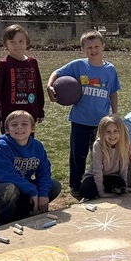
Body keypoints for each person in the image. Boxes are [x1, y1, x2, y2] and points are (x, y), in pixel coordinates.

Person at [47, 31, 120, 200]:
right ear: (83, 49)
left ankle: (98, 182)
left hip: (101, 123)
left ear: (103, 47)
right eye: (89, 47)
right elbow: (56, 73)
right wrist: (50, 86)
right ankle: (76, 186)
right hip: (80, 121)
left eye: (96, 46)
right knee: (77, 155)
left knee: (100, 156)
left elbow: (113, 93)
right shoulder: (78, 65)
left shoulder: (110, 70)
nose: (93, 50)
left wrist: (115, 114)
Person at [0, 111, 62, 225]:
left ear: (33, 128)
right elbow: (6, 175)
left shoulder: (37, 146)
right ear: (7, 130)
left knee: (54, 186)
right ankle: (6, 220)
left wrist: (43, 194)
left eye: (24, 124)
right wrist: (33, 191)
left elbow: (44, 172)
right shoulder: (2, 147)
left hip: (23, 187)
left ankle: (26, 211)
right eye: (14, 125)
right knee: (10, 188)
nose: (19, 127)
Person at [0, 23, 43, 132]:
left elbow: (38, 88)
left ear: (27, 42)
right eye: (12, 42)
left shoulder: (33, 62)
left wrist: (40, 111)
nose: (17, 45)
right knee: (10, 146)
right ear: (5, 44)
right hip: (9, 117)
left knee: (27, 145)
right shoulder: (3, 64)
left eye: (21, 41)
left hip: (29, 115)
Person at [79, 115, 131, 201]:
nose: (112, 135)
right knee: (87, 189)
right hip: (94, 177)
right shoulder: (98, 145)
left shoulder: (124, 143)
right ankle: (97, 192)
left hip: (111, 176)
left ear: (121, 132)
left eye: (116, 131)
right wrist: (101, 192)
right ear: (101, 132)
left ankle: (107, 191)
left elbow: (124, 167)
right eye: (108, 132)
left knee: (121, 186)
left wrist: (125, 186)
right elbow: (97, 170)